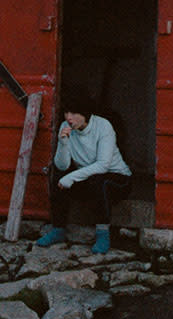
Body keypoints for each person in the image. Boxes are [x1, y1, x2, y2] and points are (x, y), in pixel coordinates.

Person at [36, 95, 132, 254]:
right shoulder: (65, 127)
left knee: (100, 181)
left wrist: (71, 177)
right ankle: (58, 229)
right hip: (89, 178)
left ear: (86, 114)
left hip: (118, 179)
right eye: (67, 113)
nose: (69, 118)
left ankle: (102, 234)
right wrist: (63, 143)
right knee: (58, 176)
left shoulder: (103, 126)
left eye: (74, 113)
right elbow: (62, 164)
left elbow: (103, 165)